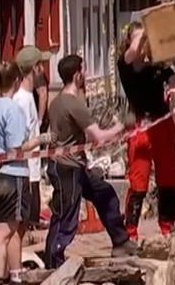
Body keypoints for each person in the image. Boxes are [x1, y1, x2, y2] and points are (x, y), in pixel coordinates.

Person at [43, 56, 133, 267]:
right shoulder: (73, 104)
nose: (87, 75)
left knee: (105, 194)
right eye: (84, 71)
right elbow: (98, 137)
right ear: (77, 75)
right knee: (66, 215)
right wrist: (122, 125)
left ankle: (121, 241)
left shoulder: (57, 102)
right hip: (67, 168)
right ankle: (53, 261)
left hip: (75, 165)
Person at [117, 24, 175, 240]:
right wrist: (144, 31)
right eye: (139, 40)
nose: (144, 44)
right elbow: (132, 53)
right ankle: (131, 230)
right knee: (139, 178)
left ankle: (167, 226)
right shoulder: (126, 66)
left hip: (162, 122)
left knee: (169, 175)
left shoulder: (158, 67)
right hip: (141, 125)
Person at [0, 62, 41, 285]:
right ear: (16, 82)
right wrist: (38, 141)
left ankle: (15, 277)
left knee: (10, 230)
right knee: (1, 235)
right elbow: (16, 147)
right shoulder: (12, 110)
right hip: (12, 174)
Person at [14, 46, 50, 225]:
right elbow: (20, 140)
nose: (43, 70)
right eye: (41, 65)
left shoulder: (28, 97)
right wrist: (41, 139)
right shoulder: (21, 100)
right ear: (34, 68)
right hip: (25, 170)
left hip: (33, 169)